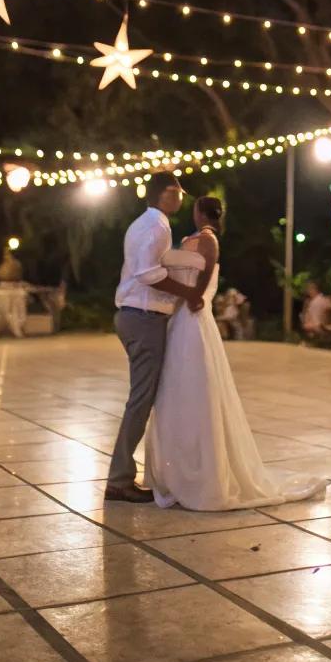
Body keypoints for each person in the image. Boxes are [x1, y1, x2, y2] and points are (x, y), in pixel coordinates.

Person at [145, 196, 328, 510]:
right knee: (176, 390)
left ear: (201, 212)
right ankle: (179, 468)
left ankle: (201, 472)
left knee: (194, 390)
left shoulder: (207, 238)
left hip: (192, 319)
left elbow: (200, 278)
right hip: (181, 319)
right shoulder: (200, 239)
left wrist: (193, 293)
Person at [105, 172, 204, 504]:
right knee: (141, 398)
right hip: (142, 317)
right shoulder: (157, 226)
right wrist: (187, 292)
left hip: (137, 315)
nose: (181, 200)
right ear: (166, 193)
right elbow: (147, 274)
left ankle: (125, 474)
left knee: (143, 396)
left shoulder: (146, 223)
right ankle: (119, 479)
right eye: (177, 193)